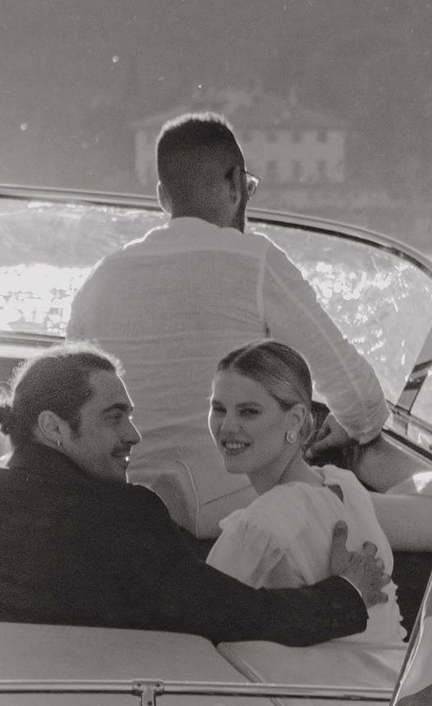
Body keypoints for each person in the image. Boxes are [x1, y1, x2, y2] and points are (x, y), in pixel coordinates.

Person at [0, 343, 370, 644]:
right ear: (54, 428)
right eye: (115, 417)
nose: (133, 435)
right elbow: (237, 615)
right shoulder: (125, 518)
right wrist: (345, 595)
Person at [66, 111, 407, 536]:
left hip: (124, 524)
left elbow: (69, 405)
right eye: (247, 188)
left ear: (162, 197)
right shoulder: (256, 262)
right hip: (233, 522)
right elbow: (360, 401)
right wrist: (349, 425)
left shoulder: (100, 279)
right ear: (234, 184)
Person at [201, 340, 403, 646]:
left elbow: (196, 631)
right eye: (218, 409)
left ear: (294, 420)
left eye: (249, 412)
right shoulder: (345, 485)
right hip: (392, 669)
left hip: (324, 686)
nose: (227, 427)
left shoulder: (259, 527)